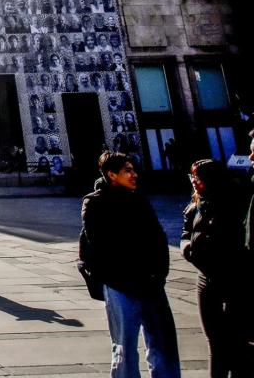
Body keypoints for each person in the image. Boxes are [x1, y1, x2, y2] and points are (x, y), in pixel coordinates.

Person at [81, 151, 179, 378]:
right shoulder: (95, 203)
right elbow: (99, 244)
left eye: (134, 170)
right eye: (128, 171)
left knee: (162, 343)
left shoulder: (139, 198)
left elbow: (158, 237)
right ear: (112, 175)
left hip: (152, 283)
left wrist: (160, 273)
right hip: (120, 285)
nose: (134, 174)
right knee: (124, 347)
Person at [180, 159, 251, 378]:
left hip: (234, 279)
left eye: (197, 178)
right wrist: (187, 248)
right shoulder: (196, 205)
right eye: (192, 178)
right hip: (206, 279)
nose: (194, 182)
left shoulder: (237, 203)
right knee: (215, 341)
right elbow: (185, 233)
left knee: (236, 340)